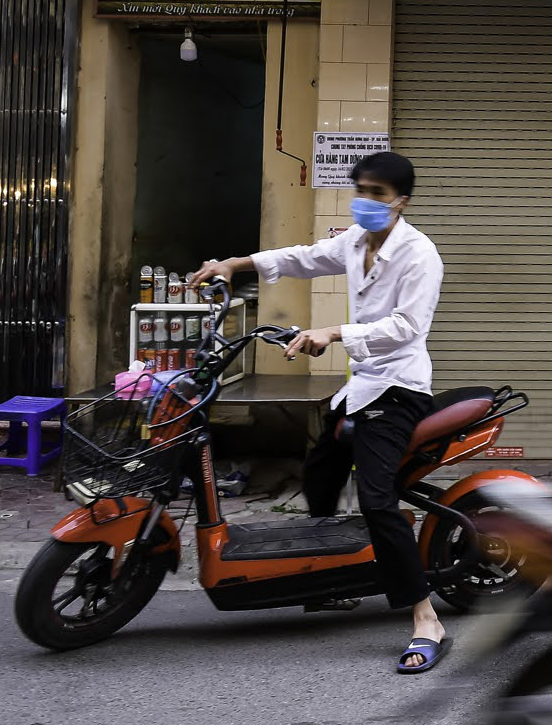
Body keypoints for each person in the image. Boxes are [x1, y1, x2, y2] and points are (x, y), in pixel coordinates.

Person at [188, 150, 450, 674]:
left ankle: (426, 618)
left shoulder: (420, 255)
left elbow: (407, 328)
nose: (366, 202)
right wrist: (235, 264)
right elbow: (303, 257)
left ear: (402, 201)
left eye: (377, 194)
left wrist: (333, 333)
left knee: (378, 500)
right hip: (362, 384)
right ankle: (332, 578)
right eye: (362, 191)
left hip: (399, 386)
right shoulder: (354, 242)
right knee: (321, 466)